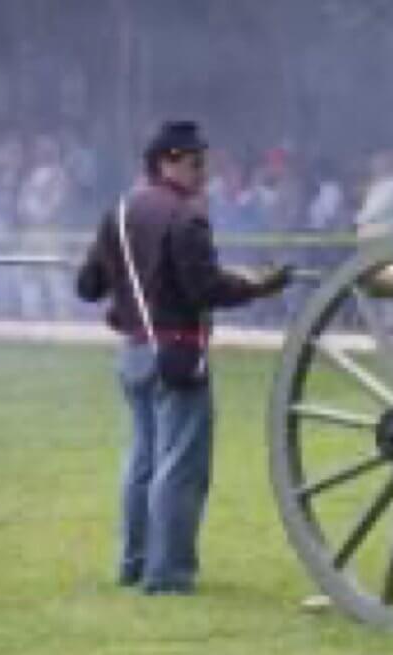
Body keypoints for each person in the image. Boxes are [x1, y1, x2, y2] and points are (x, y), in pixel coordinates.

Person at [75, 120, 291, 594]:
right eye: (194, 163)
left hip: (133, 353)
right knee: (179, 468)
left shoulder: (119, 211)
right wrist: (257, 287)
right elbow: (205, 288)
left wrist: (131, 291)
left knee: (141, 464)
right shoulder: (185, 216)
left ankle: (133, 563)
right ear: (166, 161)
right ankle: (168, 574)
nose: (203, 173)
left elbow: (87, 286)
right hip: (177, 354)